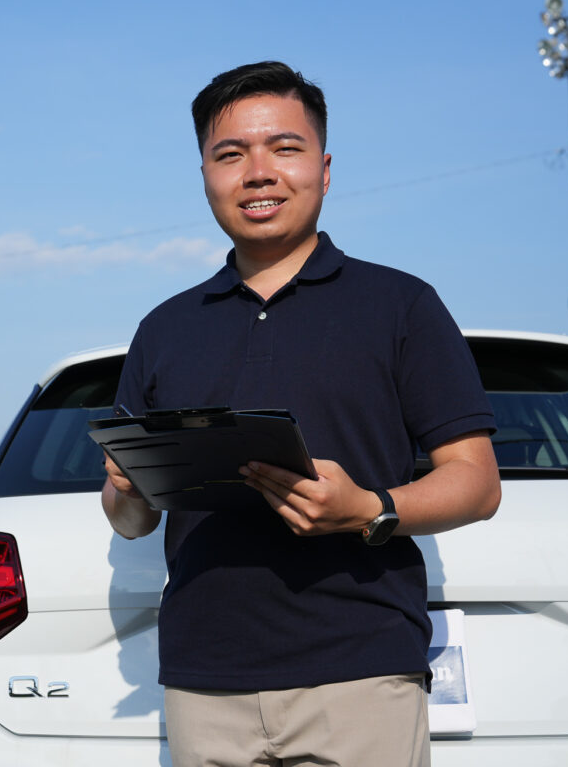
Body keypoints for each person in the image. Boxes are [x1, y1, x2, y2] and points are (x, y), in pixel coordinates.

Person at [101, 61, 501, 767]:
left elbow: (477, 481)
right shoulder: (164, 327)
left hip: (360, 672)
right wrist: (124, 488)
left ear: (323, 166)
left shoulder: (401, 305)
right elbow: (134, 519)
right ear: (204, 173)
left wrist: (369, 508)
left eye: (284, 148)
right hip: (204, 682)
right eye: (231, 154)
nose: (258, 172)